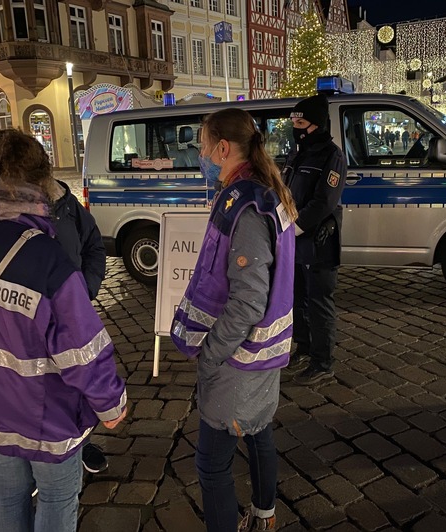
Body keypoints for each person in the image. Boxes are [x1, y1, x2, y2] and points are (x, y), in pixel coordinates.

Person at [0, 129, 128, 532]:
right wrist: (111, 403)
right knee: (55, 495)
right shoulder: (42, 255)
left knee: (5, 488)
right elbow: (81, 347)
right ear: (38, 183)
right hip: (47, 412)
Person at [170, 108, 296, 532]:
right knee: (259, 432)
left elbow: (247, 300)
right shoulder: (264, 192)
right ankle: (264, 518)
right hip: (262, 353)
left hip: (239, 358)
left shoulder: (244, 205)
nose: (201, 155)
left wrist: (210, 353)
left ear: (223, 148)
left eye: (203, 146)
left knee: (210, 463)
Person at [282, 93, 347, 385]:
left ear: (317, 124)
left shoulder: (331, 155)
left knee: (319, 302)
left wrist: (296, 226)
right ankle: (304, 349)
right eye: (294, 120)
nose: (296, 126)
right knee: (298, 299)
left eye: (301, 121)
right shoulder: (297, 153)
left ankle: (322, 362)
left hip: (318, 241)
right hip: (294, 241)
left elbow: (324, 201)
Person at [50, 177, 108, 472]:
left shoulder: (64, 203)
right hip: (17, 328)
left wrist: (84, 291)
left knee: (74, 382)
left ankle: (80, 443)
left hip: (70, 318)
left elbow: (93, 246)